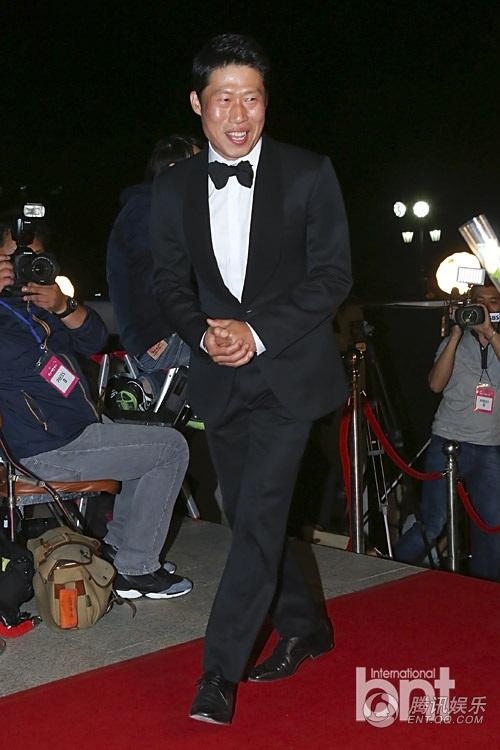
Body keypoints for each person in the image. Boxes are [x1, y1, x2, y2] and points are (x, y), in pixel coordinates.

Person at [150, 34, 352, 724]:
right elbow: (168, 282)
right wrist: (203, 331)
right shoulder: (173, 187)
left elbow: (333, 275)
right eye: (225, 99)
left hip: (290, 374)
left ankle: (218, 672)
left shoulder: (308, 173)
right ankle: (306, 624)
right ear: (197, 103)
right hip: (220, 376)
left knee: (261, 514)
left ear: (267, 101)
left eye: (253, 98)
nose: (240, 115)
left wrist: (256, 331)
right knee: (247, 517)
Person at [0, 220, 192, 600]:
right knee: (171, 449)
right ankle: (138, 570)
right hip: (44, 449)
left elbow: (95, 340)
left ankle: (121, 552)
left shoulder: (35, 307)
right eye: (12, 256)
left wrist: (63, 306)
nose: (23, 265)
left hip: (76, 430)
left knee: (150, 441)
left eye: (32, 257)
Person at [394, 280, 500, 582]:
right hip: (449, 441)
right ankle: (386, 572)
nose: (485, 307)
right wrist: (454, 335)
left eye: (493, 301)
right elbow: (435, 384)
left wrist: (490, 333)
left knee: (492, 525)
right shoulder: (455, 342)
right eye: (480, 301)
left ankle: (482, 591)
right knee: (434, 521)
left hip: (490, 446)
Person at [106, 135, 201, 410]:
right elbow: (158, 278)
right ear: (173, 169)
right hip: (160, 337)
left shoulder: (158, 208)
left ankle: (146, 387)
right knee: (246, 346)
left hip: (157, 335)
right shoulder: (147, 209)